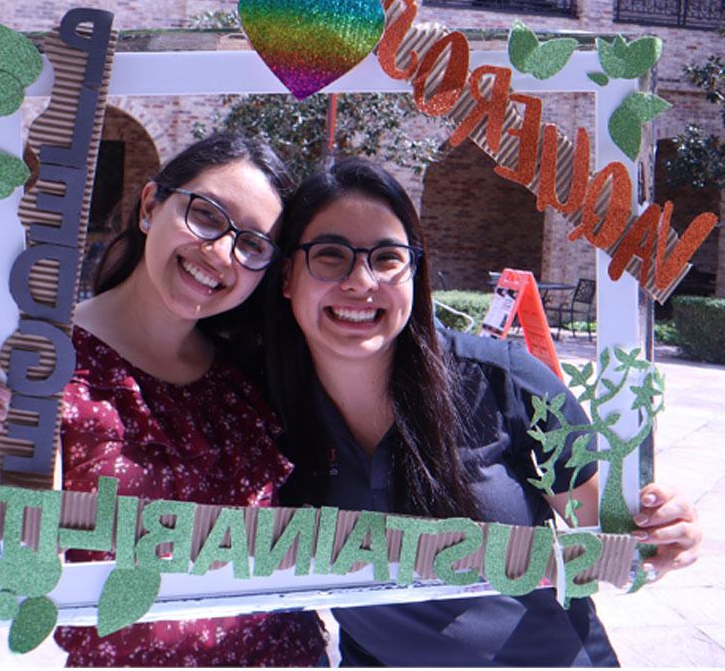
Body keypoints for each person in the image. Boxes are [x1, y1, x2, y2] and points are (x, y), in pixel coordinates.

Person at [263, 157, 701, 667]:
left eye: (387, 258)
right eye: (330, 255)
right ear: (287, 276)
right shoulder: (264, 403)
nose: (361, 281)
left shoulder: (503, 381)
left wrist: (658, 531)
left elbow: (605, 528)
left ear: (415, 272)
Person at [0, 134, 326, 668]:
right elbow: (12, 582)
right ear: (149, 206)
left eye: (253, 244)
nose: (221, 251)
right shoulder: (47, 367)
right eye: (207, 215)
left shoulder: (251, 378)